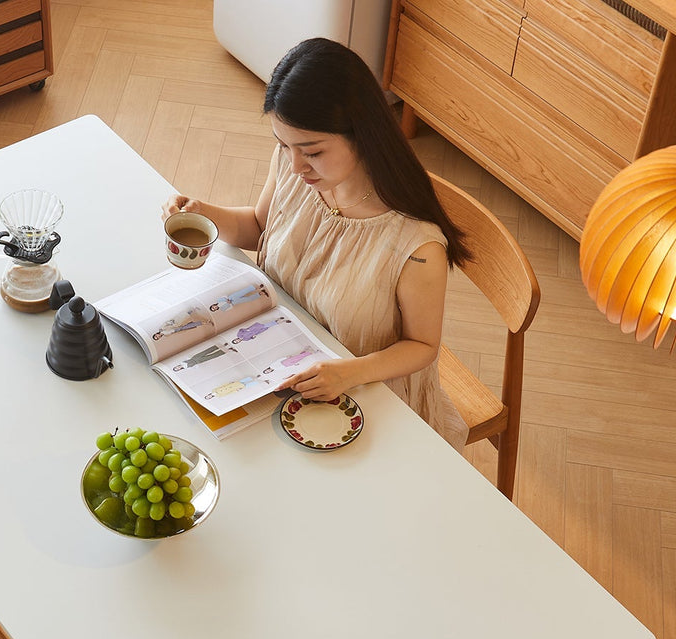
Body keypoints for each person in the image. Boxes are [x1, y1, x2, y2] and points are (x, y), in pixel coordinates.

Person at [161, 37, 472, 449]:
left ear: (362, 134)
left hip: (364, 393)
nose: (294, 165)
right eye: (282, 145)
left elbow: (422, 347)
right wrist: (204, 213)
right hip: (284, 365)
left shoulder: (416, 247)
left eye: (311, 151)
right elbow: (259, 226)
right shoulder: (298, 170)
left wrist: (348, 372)